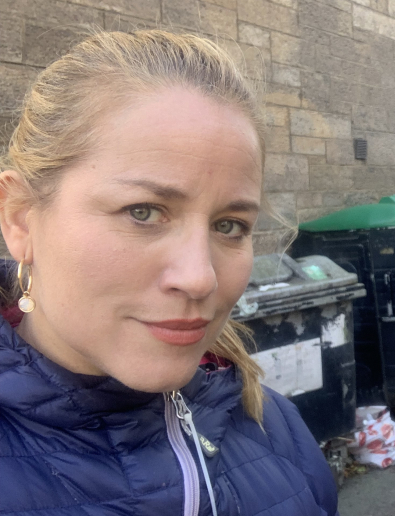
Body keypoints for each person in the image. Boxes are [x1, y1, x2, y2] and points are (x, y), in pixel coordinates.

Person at [0, 30, 339, 515]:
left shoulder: (275, 426)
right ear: (20, 218)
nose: (200, 278)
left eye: (229, 225)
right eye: (143, 212)